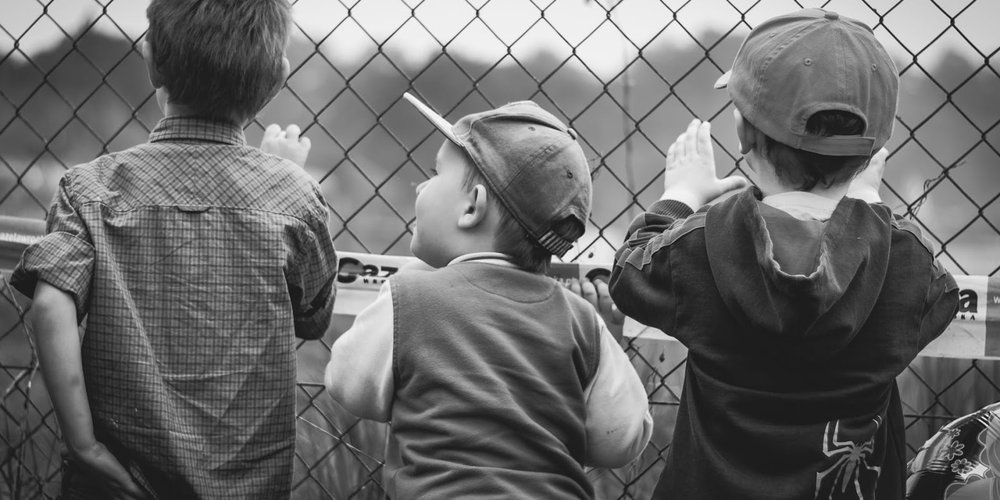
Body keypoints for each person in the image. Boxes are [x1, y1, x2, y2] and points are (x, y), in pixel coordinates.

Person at [609, 8, 959, 499]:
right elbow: (941, 299)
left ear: (743, 133)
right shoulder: (901, 263)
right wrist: (869, 207)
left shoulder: (704, 242)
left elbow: (629, 273)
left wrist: (681, 195)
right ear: (875, 150)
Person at [11, 1, 337, 498]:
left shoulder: (91, 187)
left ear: (150, 60)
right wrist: (278, 175)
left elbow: (51, 303)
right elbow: (313, 317)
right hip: (244, 486)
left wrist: (85, 446)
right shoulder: (293, 196)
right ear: (278, 79)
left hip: (116, 481)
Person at [324, 93, 652, 499]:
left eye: (434, 174)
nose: (422, 186)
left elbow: (347, 386)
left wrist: (421, 270)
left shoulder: (409, 297)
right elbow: (617, 441)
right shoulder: (581, 321)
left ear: (472, 208)